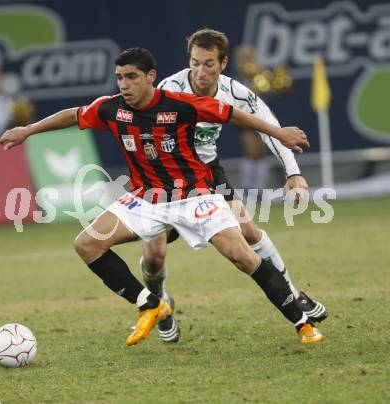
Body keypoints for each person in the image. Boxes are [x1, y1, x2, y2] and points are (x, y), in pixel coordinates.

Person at [0, 47, 323, 346]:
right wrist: (28, 130)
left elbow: (230, 114)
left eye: (131, 77)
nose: (124, 84)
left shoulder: (179, 104)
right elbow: (72, 115)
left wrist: (278, 132)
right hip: (147, 200)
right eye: (120, 77)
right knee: (87, 243)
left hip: (195, 197)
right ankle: (151, 305)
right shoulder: (112, 109)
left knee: (243, 257)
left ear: (150, 77)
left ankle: (302, 323)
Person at [141, 29, 328, 343]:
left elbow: (272, 129)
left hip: (208, 174)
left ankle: (294, 295)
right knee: (154, 256)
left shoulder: (236, 93)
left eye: (209, 64)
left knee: (249, 230)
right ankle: (160, 303)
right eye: (195, 63)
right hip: (166, 178)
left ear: (223, 63)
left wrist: (293, 173)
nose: (200, 72)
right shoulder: (169, 89)